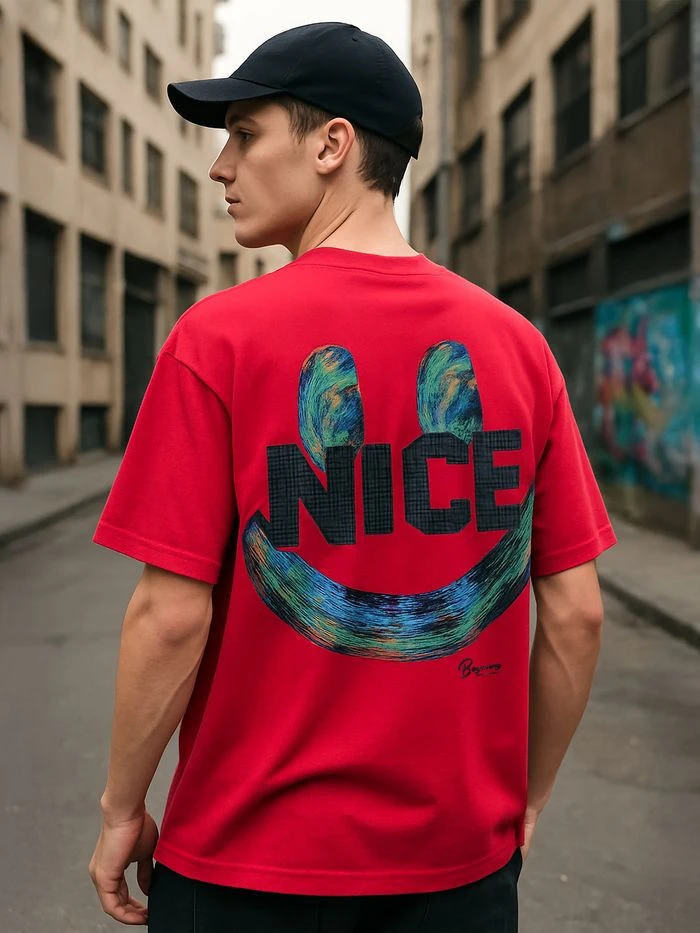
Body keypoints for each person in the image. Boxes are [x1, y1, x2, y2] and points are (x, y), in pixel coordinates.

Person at [88, 21, 617, 933]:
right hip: (459, 870)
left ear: (332, 144)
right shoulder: (519, 348)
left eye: (244, 134)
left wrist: (120, 808)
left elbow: (169, 616)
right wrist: (524, 803)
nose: (221, 166)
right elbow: (576, 613)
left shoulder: (218, 341)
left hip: (248, 865)